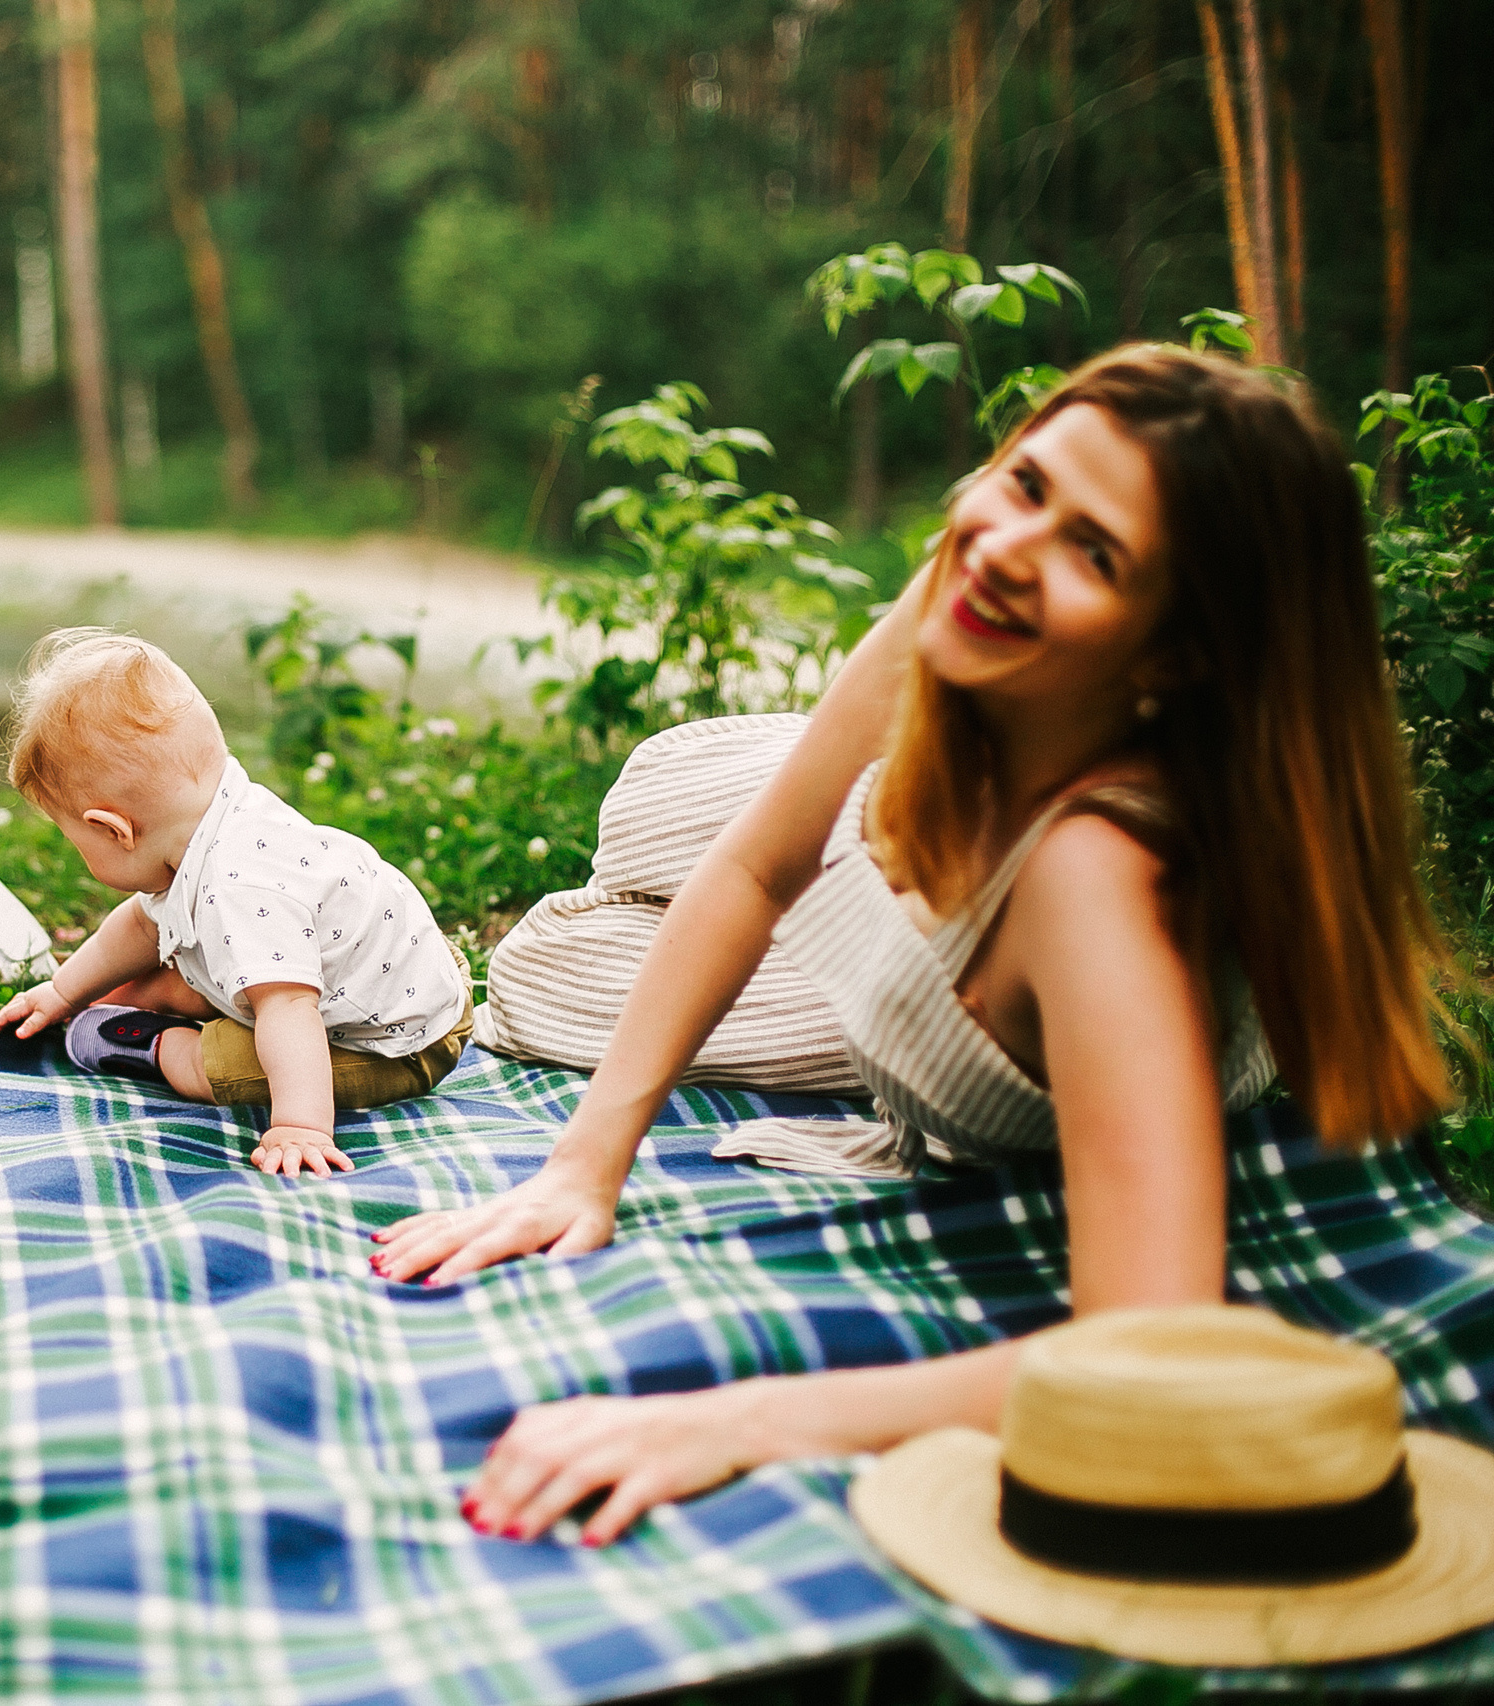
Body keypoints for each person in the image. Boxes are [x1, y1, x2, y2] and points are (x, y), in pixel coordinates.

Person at [370, 346, 1454, 1547]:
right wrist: (586, 1162)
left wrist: (737, 1419)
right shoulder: (967, 593)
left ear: (1177, 651)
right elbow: (749, 863)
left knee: (540, 971)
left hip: (956, 955)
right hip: (893, 825)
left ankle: (835, 843)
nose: (1003, 547)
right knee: (654, 814)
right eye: (1025, 482)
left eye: (1093, 551)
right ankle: (796, 799)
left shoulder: (1100, 883)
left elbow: (1143, 1341)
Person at [0, 631, 473, 1178]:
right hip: (404, 970)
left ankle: (155, 1044)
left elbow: (289, 1010)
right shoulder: (212, 820)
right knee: (205, 967)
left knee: (224, 1064)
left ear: (114, 830)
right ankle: (131, 1001)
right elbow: (140, 926)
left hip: (398, 1040)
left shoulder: (241, 887)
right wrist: (61, 989)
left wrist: (299, 1126)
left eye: (77, 842)